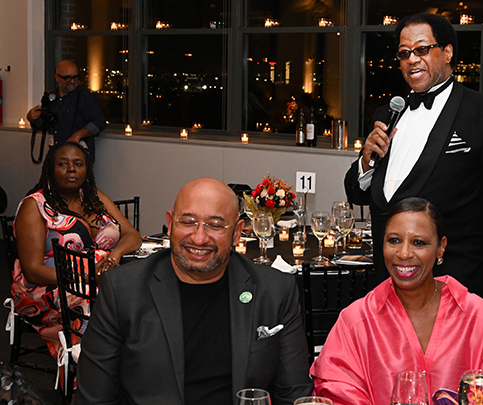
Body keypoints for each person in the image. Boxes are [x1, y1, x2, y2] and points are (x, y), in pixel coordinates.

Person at [73, 178, 312, 405]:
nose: (199, 239)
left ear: (237, 232)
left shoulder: (275, 291)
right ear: (170, 224)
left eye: (215, 225)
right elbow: (94, 399)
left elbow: (293, 395)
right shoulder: (123, 290)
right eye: (187, 222)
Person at [344, 13, 483, 314]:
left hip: (454, 283)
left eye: (422, 49)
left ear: (448, 52)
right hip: (388, 283)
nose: (412, 59)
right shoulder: (388, 114)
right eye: (404, 53)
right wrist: (366, 162)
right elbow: (358, 194)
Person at [311, 197, 483, 405]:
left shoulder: (475, 317)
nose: (404, 253)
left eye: (419, 242)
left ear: (441, 247)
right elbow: (337, 392)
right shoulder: (356, 322)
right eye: (394, 240)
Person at [12, 141, 141, 359]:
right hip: (47, 286)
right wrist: (87, 277)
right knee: (102, 298)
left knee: (139, 291)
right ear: (51, 169)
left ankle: (130, 361)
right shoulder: (35, 206)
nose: (71, 169)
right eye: (63, 164)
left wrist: (113, 257)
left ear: (86, 169)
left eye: (78, 164)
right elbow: (32, 271)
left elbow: (132, 235)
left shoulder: (93, 197)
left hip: (98, 278)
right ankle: (89, 365)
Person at [26, 60, 106, 162]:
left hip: (77, 156)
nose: (72, 81)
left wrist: (78, 135)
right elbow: (44, 125)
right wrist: (32, 118)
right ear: (57, 78)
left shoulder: (84, 97)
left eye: (75, 77)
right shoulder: (52, 98)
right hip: (57, 154)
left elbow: (99, 122)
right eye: (68, 78)